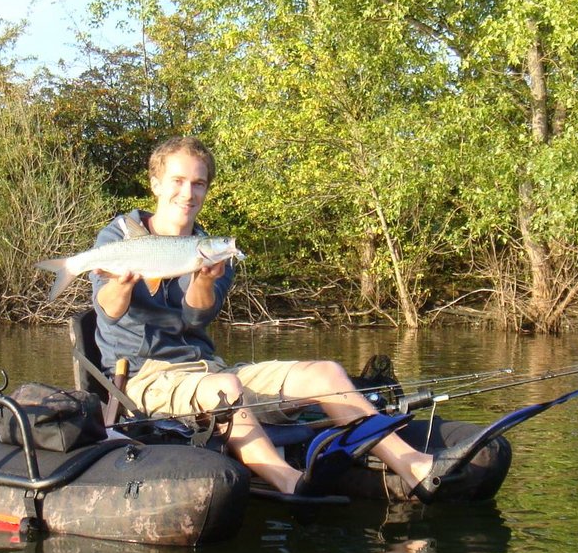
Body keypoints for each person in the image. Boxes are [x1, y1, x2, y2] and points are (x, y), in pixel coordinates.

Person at [89, 135, 486, 501]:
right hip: (147, 378)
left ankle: (412, 465)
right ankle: (288, 481)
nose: (187, 193)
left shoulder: (212, 249)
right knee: (224, 388)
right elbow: (109, 309)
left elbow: (195, 316)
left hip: (209, 368)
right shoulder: (120, 235)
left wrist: (203, 278)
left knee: (325, 373)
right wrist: (123, 282)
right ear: (156, 184)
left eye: (198, 184)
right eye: (177, 181)